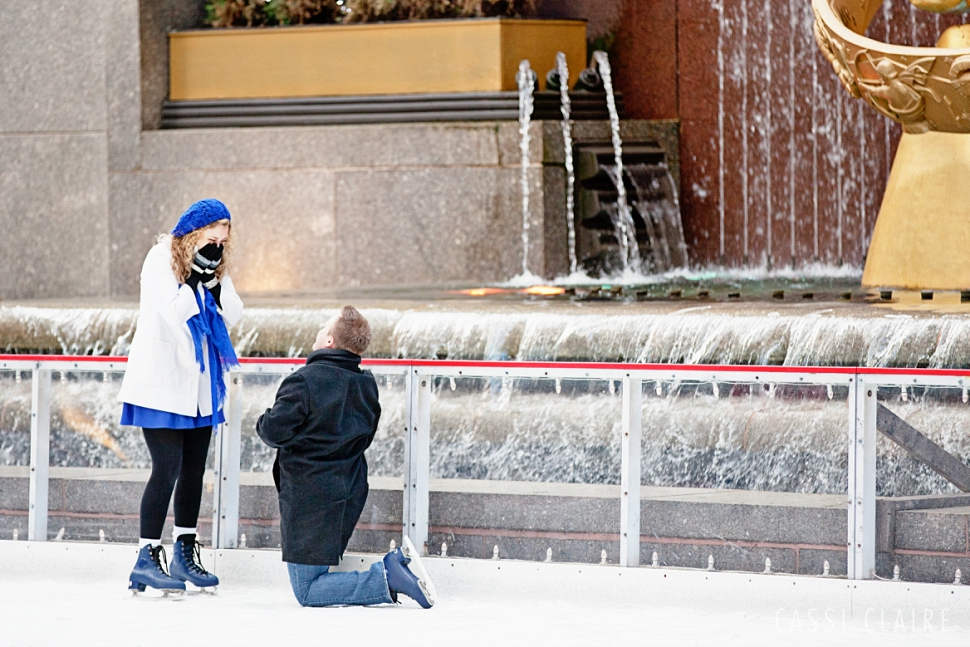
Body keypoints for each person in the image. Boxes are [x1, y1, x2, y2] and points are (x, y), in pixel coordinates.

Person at [256, 306, 434, 608]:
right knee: (314, 577)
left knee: (308, 590)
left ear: (329, 341)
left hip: (309, 494)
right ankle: (388, 575)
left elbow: (273, 431)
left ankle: (386, 577)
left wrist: (264, 419)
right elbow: (365, 434)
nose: (319, 330)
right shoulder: (366, 384)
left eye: (324, 327)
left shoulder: (304, 381)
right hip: (349, 488)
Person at [119, 198, 244, 595]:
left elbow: (235, 312)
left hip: (201, 387)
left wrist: (213, 281)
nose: (218, 247)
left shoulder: (213, 267)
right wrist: (194, 280)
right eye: (212, 238)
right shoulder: (160, 259)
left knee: (194, 469)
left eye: (223, 241)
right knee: (167, 467)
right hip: (161, 382)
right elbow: (175, 312)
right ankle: (145, 557)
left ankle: (184, 552)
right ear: (193, 232)